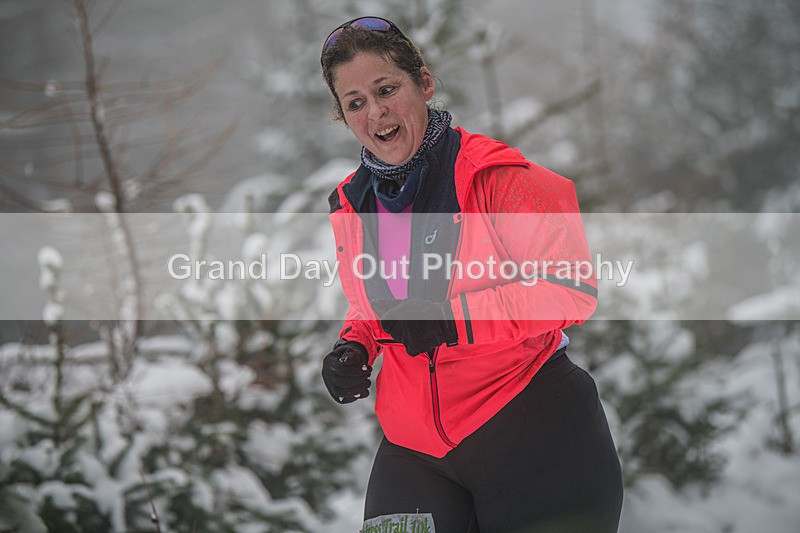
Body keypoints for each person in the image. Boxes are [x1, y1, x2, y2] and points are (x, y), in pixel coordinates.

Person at [319, 16, 623, 532]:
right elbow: (379, 305)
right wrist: (354, 345)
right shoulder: (353, 203)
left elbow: (569, 288)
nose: (376, 112)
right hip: (414, 455)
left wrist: (453, 320)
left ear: (425, 83)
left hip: (532, 429)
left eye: (386, 89)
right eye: (355, 103)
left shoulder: (498, 177)